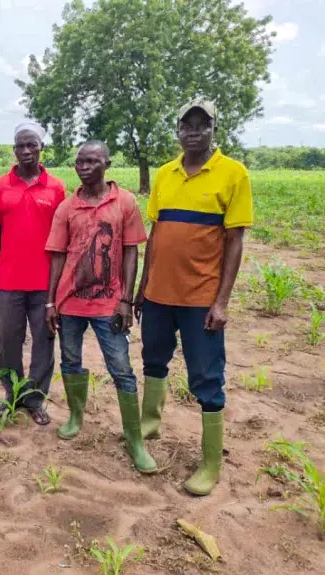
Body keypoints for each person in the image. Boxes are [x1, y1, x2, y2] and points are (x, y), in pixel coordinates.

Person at [134, 100, 253, 495]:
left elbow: (234, 242)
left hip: (201, 298)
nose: (194, 131)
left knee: (206, 376)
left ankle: (210, 463)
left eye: (203, 125)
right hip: (158, 296)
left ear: (214, 129)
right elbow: (156, 235)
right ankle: (149, 425)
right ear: (178, 131)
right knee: (153, 360)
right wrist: (142, 288)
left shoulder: (233, 174)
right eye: (188, 125)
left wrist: (221, 302)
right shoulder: (166, 174)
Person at [45, 141, 156, 474]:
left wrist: (126, 298)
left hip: (109, 303)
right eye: (80, 161)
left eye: (92, 161)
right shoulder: (67, 207)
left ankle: (134, 439)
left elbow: (131, 251)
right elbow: (58, 255)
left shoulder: (124, 202)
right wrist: (51, 301)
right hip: (70, 302)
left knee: (121, 367)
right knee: (70, 360)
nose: (84, 166)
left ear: (107, 163)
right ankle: (76, 415)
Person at [0, 122, 65, 425]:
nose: (25, 151)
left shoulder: (56, 187)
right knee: (8, 341)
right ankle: (12, 395)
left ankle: (35, 400)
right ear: (14, 150)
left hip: (44, 283)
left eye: (31, 145)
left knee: (44, 341)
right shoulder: (0, 186)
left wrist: (59, 285)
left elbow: (62, 237)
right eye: (20, 145)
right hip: (8, 280)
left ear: (40, 148)